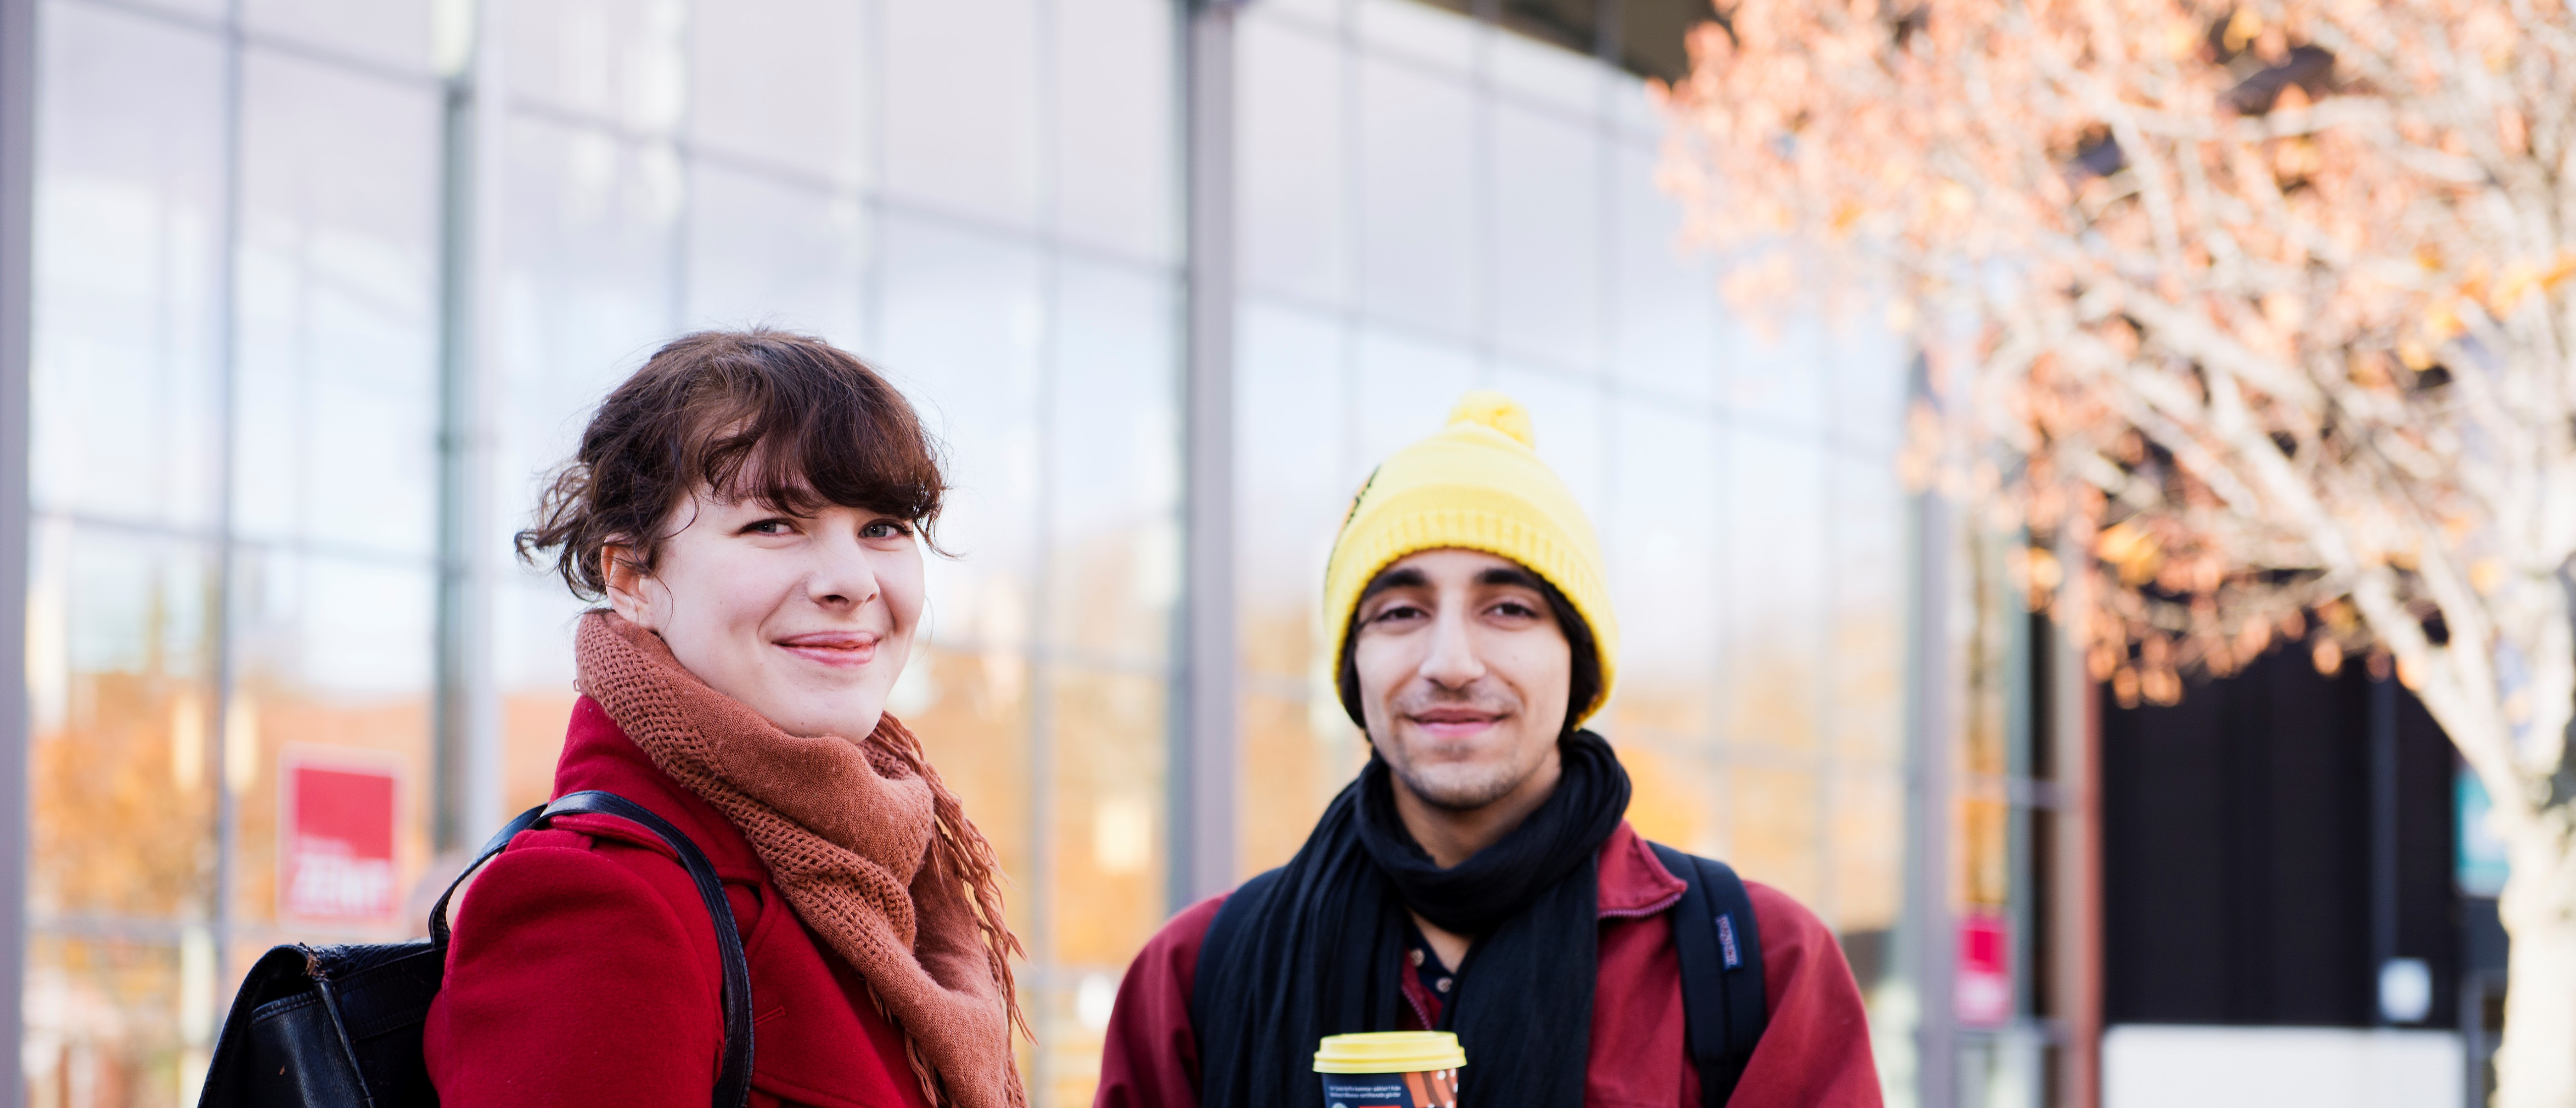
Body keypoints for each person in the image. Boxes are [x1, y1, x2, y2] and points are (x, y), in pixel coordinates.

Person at [1095, 393, 1880, 1108]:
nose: (1452, 662)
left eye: (1507, 608)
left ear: (1578, 661)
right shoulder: (1197, 975)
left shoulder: (1760, 967)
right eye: (1400, 612)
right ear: (1352, 668)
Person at [425, 330, 1028, 1108]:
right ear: (632, 578)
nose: (851, 581)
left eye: (883, 527)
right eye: (773, 525)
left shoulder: (893, 880)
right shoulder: (599, 901)